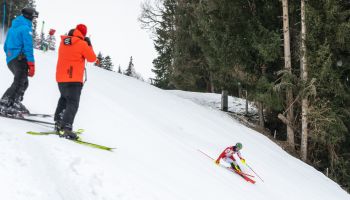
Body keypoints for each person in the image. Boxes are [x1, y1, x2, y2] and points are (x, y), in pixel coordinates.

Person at [54, 24, 97, 140]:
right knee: (72, 103)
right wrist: (89, 44)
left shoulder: (63, 42)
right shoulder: (82, 44)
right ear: (83, 34)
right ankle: (66, 127)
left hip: (61, 78)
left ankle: (58, 123)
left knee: (63, 99)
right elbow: (92, 58)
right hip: (73, 79)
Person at [0, 7, 39, 115]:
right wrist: (31, 63)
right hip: (19, 58)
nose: (34, 19)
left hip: (11, 59)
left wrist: (10, 54)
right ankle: (4, 103)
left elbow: (5, 46)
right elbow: (28, 47)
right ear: (29, 16)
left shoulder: (13, 28)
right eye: (34, 17)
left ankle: (15, 101)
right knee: (19, 82)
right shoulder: (26, 28)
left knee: (24, 82)